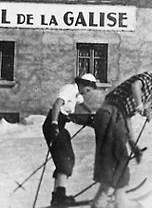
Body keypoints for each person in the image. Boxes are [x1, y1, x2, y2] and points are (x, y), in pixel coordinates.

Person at [91, 63, 152, 208]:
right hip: (111, 114)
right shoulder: (147, 78)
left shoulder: (147, 90)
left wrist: (133, 143)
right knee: (120, 161)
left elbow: (127, 117)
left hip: (115, 116)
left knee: (113, 162)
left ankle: (102, 201)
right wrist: (140, 105)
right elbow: (135, 86)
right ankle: (119, 202)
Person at [42, 73, 97, 206]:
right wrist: (54, 124)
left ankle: (58, 194)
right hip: (53, 124)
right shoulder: (69, 89)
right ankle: (59, 197)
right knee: (65, 158)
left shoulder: (77, 94)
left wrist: (92, 114)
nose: (87, 93)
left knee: (67, 158)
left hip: (60, 125)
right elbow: (56, 105)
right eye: (88, 90)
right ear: (83, 84)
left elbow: (83, 105)